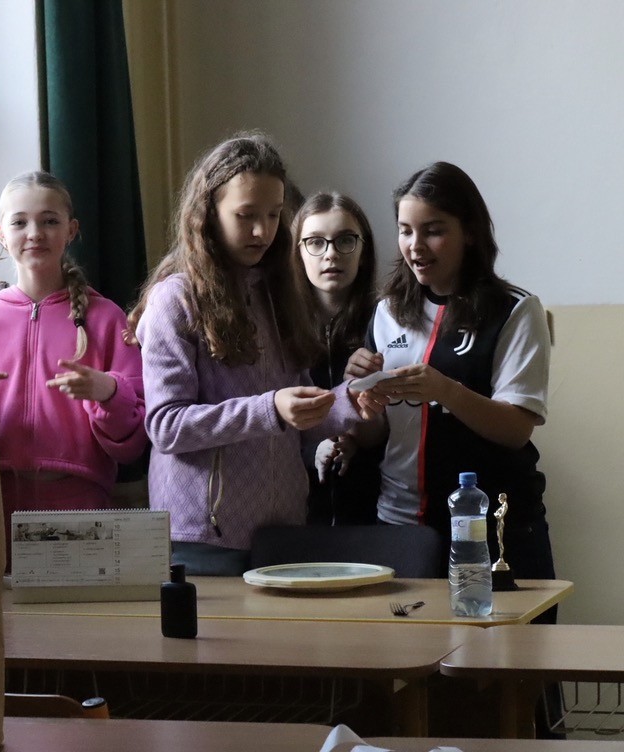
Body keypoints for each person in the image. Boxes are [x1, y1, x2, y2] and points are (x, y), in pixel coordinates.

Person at [127, 134, 379, 576]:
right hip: (204, 539)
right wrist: (270, 409)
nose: (263, 231)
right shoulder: (176, 300)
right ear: (209, 213)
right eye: (246, 216)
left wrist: (348, 401)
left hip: (283, 534)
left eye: (274, 214)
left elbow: (296, 421)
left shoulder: (278, 296)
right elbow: (166, 426)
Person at [0, 171, 147, 565]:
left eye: (50, 220)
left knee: (75, 605)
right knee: (1, 604)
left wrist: (109, 393)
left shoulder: (107, 318)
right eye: (20, 222)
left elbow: (135, 439)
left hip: (81, 506)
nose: (35, 233)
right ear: (0, 234)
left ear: (71, 230)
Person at [347, 161, 554, 585]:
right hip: (401, 524)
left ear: (470, 232)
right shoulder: (387, 311)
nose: (415, 246)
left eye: (433, 230)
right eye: (405, 231)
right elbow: (374, 435)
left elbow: (516, 429)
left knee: (500, 632)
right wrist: (361, 402)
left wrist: (446, 390)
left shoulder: (515, 310)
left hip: (493, 526)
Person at [292, 192, 382, 525]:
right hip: (295, 510)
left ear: (364, 250)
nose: (331, 254)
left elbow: (399, 428)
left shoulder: (386, 321)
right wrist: (312, 448)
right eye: (316, 242)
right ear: (297, 253)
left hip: (373, 508)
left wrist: (353, 437)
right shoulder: (278, 325)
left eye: (345, 240)